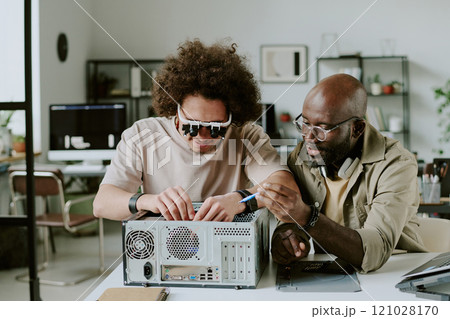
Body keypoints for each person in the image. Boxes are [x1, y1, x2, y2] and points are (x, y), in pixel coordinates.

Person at [93, 39, 298, 222]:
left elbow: (284, 186)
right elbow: (102, 203)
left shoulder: (246, 135)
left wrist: (239, 200)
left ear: (231, 116)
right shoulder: (142, 135)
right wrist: (149, 201)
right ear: (175, 108)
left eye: (216, 128)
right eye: (191, 126)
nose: (202, 136)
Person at [256, 73, 427, 273]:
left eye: (323, 128)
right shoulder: (302, 156)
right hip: (329, 269)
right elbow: (292, 222)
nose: (309, 137)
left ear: (357, 129)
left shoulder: (396, 164)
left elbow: (375, 250)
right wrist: (286, 238)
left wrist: (308, 217)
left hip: (394, 272)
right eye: (305, 123)